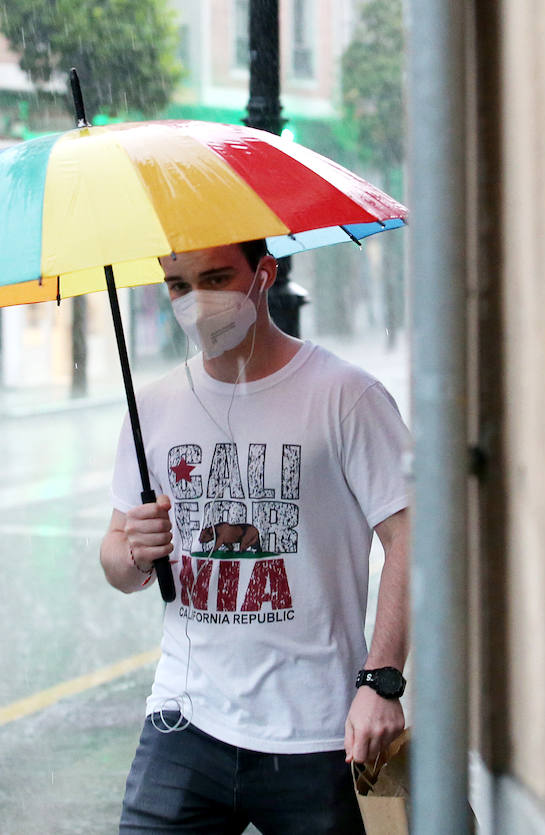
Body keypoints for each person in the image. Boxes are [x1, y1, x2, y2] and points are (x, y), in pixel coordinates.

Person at [101, 240, 411, 835]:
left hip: (320, 732)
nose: (197, 302)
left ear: (264, 274)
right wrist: (133, 548)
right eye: (179, 285)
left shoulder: (345, 396)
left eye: (216, 278)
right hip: (184, 720)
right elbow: (117, 564)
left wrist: (382, 681)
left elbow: (411, 540)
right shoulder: (154, 409)